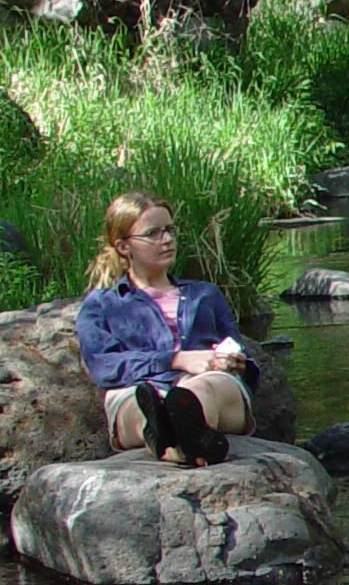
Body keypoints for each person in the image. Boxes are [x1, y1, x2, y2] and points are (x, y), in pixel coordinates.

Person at [74, 191, 254, 466]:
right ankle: (182, 446)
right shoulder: (101, 304)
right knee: (141, 406)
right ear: (124, 246)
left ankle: (178, 434)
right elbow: (104, 367)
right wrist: (175, 359)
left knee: (198, 391)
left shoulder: (204, 294)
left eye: (169, 230)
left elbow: (235, 348)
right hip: (139, 390)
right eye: (153, 233)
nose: (167, 239)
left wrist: (232, 360)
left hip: (213, 389)